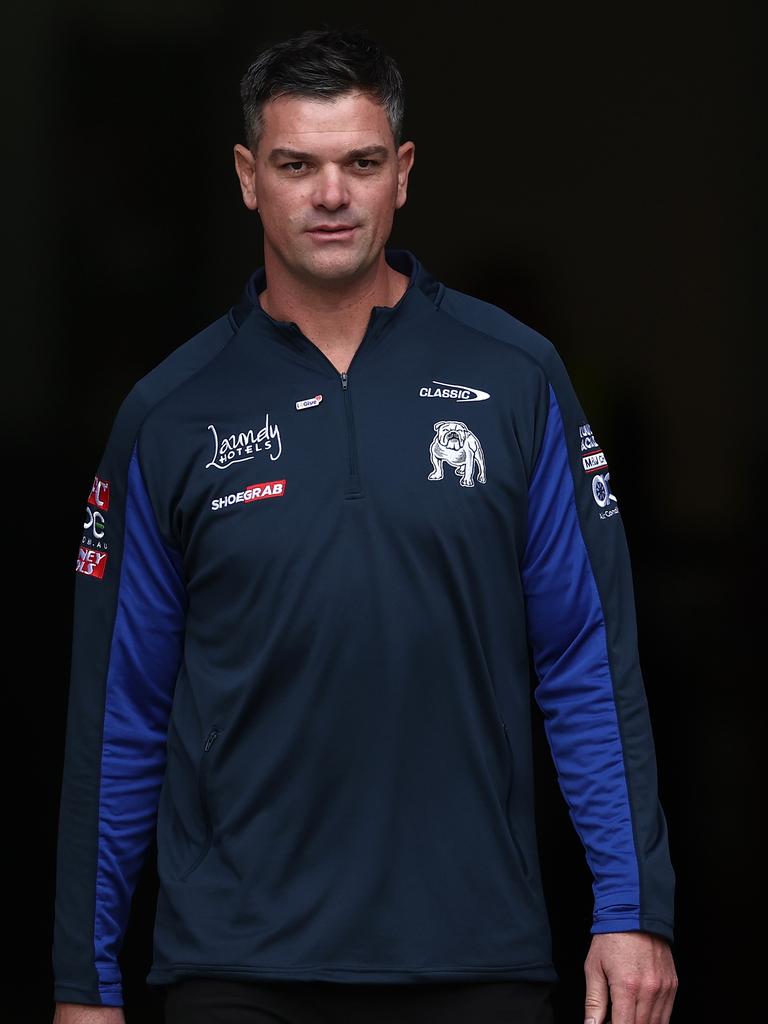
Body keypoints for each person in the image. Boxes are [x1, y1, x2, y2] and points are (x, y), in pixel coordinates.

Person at [51, 26, 679, 1024]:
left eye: (361, 162)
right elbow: (118, 712)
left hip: (477, 953)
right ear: (248, 177)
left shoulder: (517, 377)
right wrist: (84, 985)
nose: (332, 194)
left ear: (404, 173)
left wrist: (633, 907)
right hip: (234, 965)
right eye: (298, 165)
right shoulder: (169, 413)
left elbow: (587, 660)